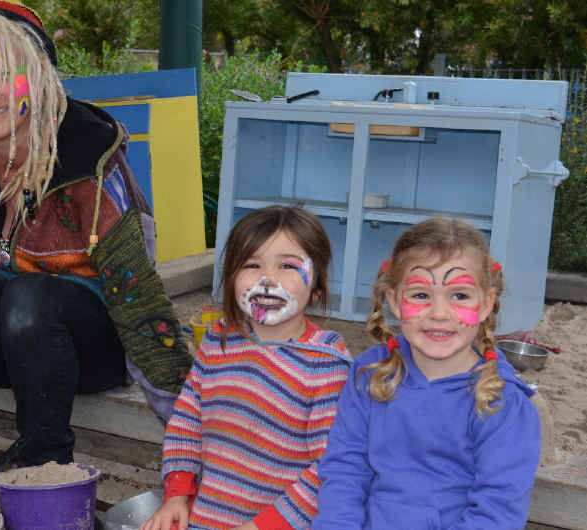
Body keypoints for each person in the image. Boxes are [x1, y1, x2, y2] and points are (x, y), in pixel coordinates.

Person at [0, 0, 193, 493]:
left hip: (86, 348)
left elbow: (138, 300)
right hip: (3, 352)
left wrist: (189, 424)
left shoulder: (88, 160)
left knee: (29, 296)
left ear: (40, 76)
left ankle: (49, 471)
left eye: (5, 74)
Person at [312, 218, 540, 529]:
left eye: (460, 295)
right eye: (420, 295)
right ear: (394, 300)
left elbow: (496, 513)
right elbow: (344, 472)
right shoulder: (370, 373)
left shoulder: (502, 401)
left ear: (486, 303)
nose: (439, 313)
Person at [142, 205, 352, 530]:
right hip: (207, 518)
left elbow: (329, 467)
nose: (267, 279)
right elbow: (187, 420)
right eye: (252, 265)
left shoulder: (326, 365)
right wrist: (177, 495)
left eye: (287, 266)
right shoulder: (218, 342)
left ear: (317, 289)